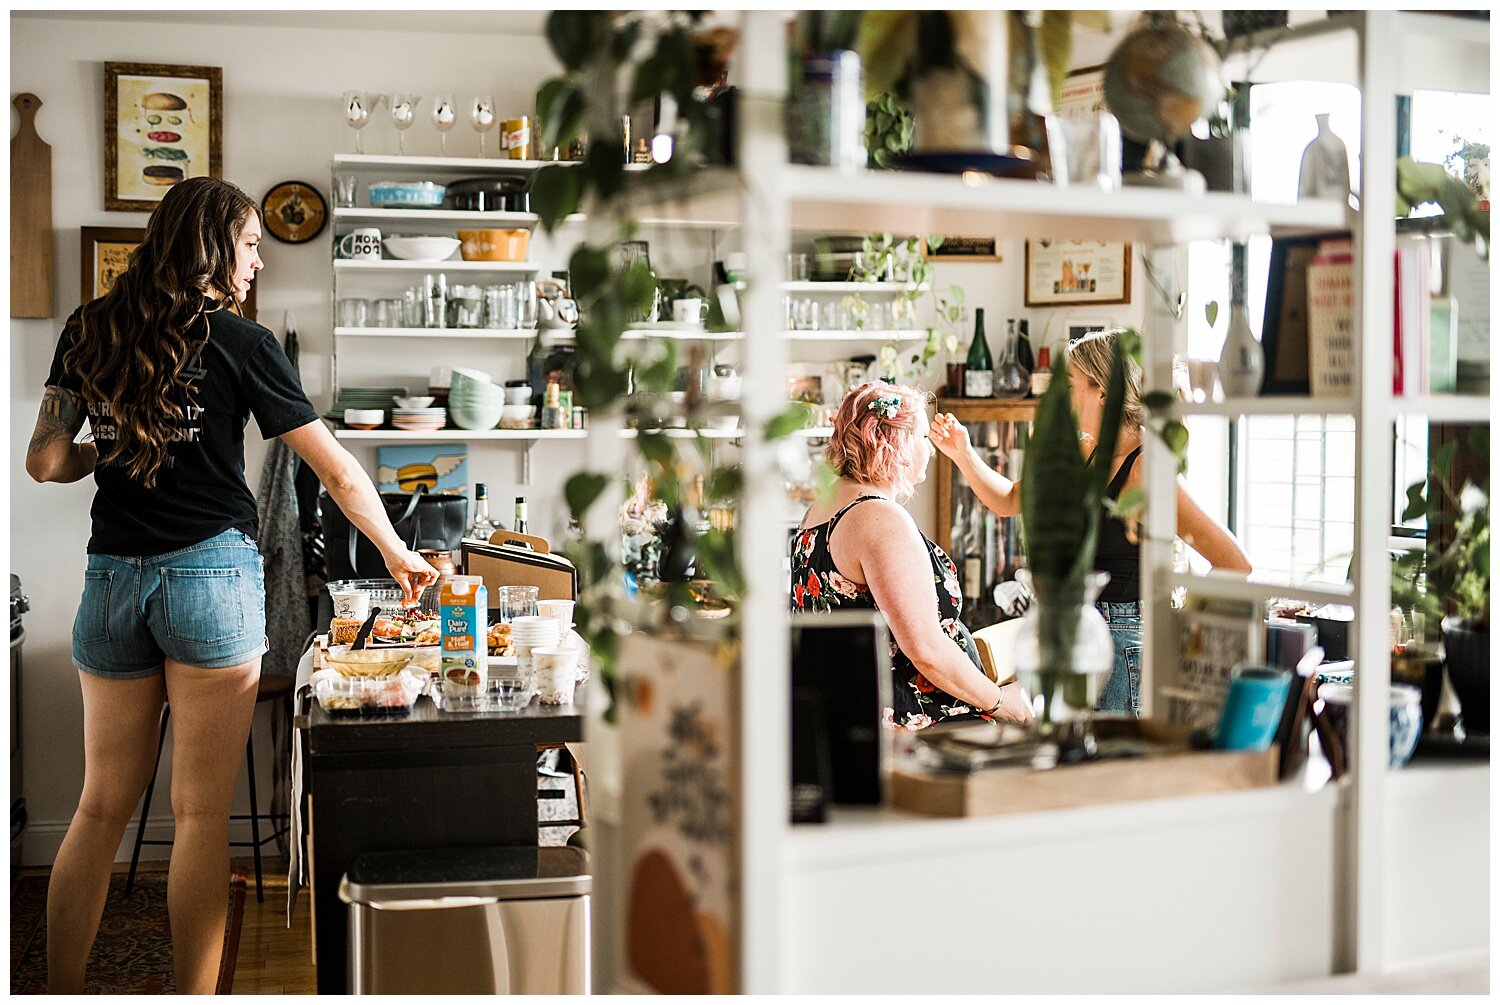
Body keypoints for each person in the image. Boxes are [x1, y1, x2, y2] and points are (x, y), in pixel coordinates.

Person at [25, 177, 438, 994]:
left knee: (99, 807)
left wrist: (103, 451)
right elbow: (340, 474)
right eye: (249, 244)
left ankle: (58, 990)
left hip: (111, 579)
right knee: (201, 816)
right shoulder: (243, 343)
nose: (255, 263)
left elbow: (45, 458)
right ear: (212, 246)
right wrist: (397, 552)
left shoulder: (89, 327)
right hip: (210, 575)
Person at [930, 329, 1252, 716]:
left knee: (1108, 771)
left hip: (1121, 642)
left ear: (1102, 390)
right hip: (1076, 631)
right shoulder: (1084, 450)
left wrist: (1180, 627)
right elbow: (1010, 501)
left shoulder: (1149, 465)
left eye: (1069, 384)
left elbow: (1235, 562)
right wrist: (962, 453)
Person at [790, 381, 1032, 730]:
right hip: (908, 725)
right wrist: (999, 701)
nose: (931, 450)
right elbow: (926, 649)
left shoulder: (819, 511)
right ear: (890, 441)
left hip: (841, 713)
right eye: (921, 437)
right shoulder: (879, 518)